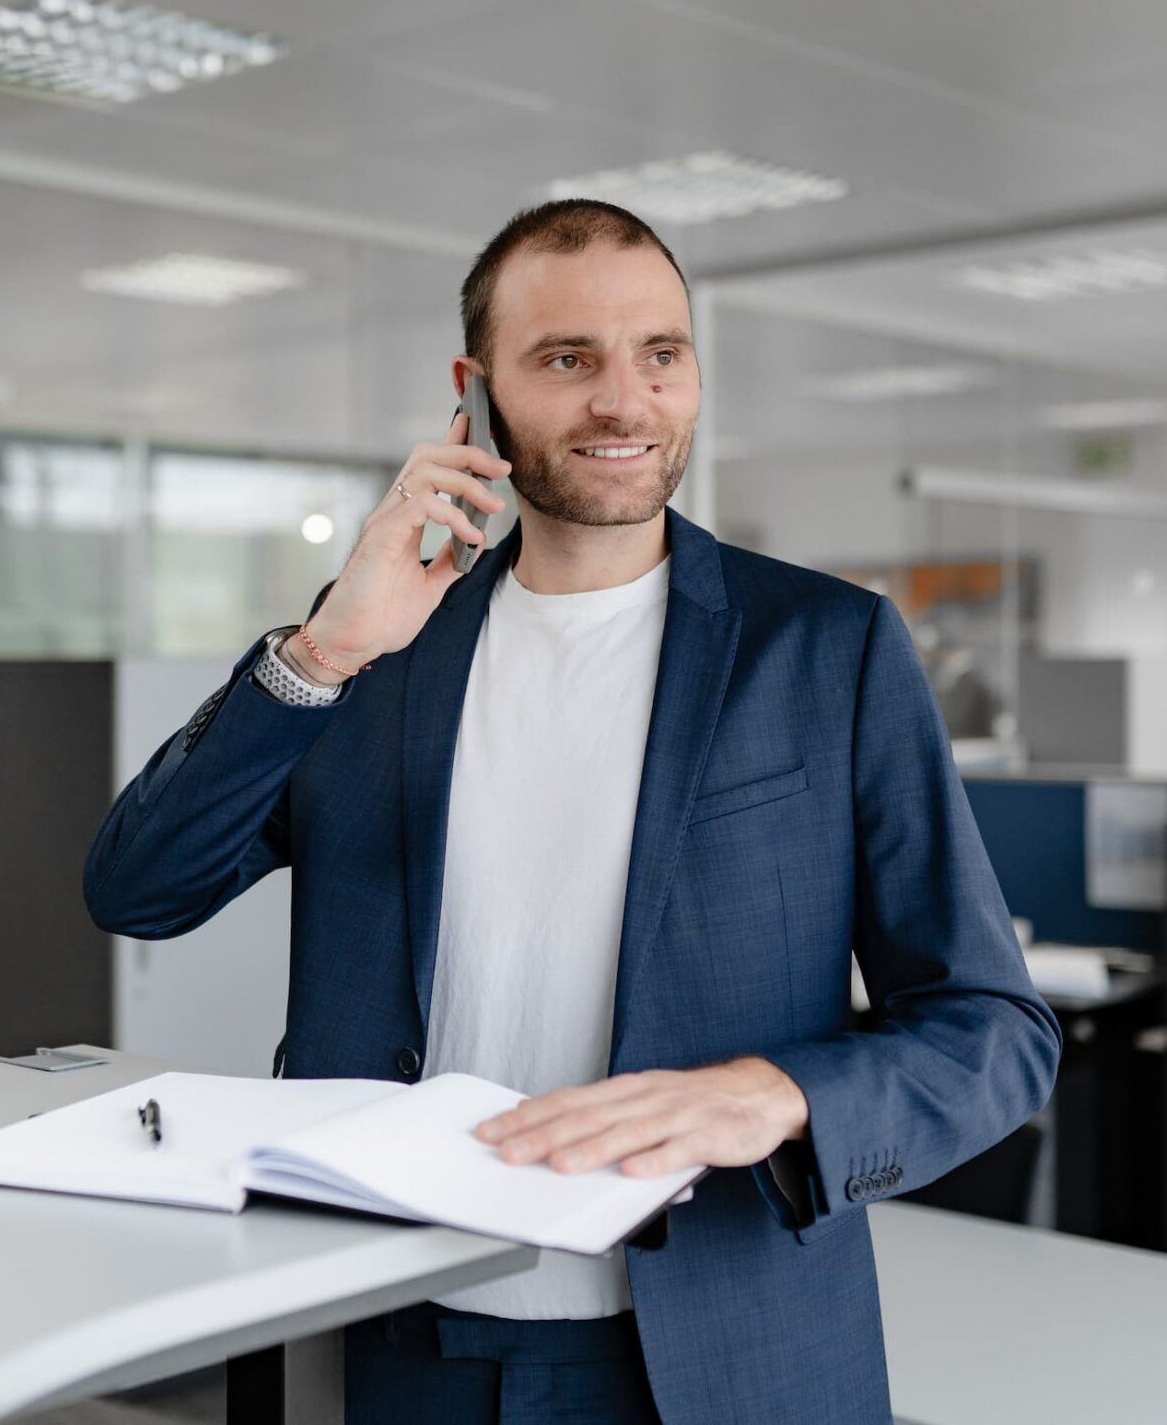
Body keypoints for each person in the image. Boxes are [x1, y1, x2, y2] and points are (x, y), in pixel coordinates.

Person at [85, 199, 1062, 1425]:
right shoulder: (378, 649)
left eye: (660, 354)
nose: (622, 400)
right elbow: (140, 889)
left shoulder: (826, 647)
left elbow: (992, 1030)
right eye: (565, 359)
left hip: (720, 1351)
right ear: (475, 391)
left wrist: (774, 1092)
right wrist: (322, 651)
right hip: (398, 1335)